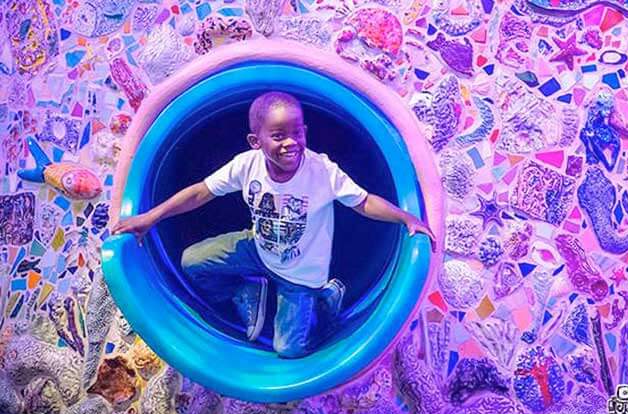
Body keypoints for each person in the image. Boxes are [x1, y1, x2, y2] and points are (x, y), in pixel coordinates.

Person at [112, 91, 436, 358]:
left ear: (305, 133)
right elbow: (200, 192)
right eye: (278, 135)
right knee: (192, 262)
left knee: (289, 350)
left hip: (301, 273)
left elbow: (363, 201)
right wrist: (149, 218)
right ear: (256, 140)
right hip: (258, 248)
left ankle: (324, 300)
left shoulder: (321, 170)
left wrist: (405, 217)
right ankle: (248, 291)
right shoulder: (246, 164)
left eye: (297, 133)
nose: (291, 143)